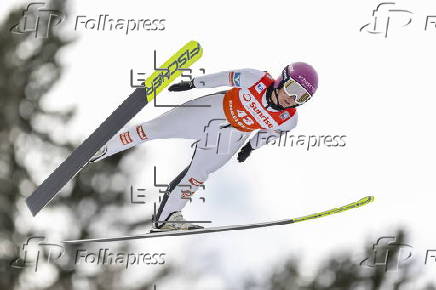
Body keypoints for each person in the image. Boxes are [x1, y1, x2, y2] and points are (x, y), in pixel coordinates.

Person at [90, 62, 318, 232]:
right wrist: (194, 84)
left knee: (198, 175)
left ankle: (167, 218)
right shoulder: (255, 78)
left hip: (231, 136)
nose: (293, 98)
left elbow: (270, 134)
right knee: (154, 129)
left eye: (302, 97)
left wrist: (251, 148)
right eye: (292, 88)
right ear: (281, 79)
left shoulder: (289, 119)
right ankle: (104, 147)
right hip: (211, 111)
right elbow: (224, 78)